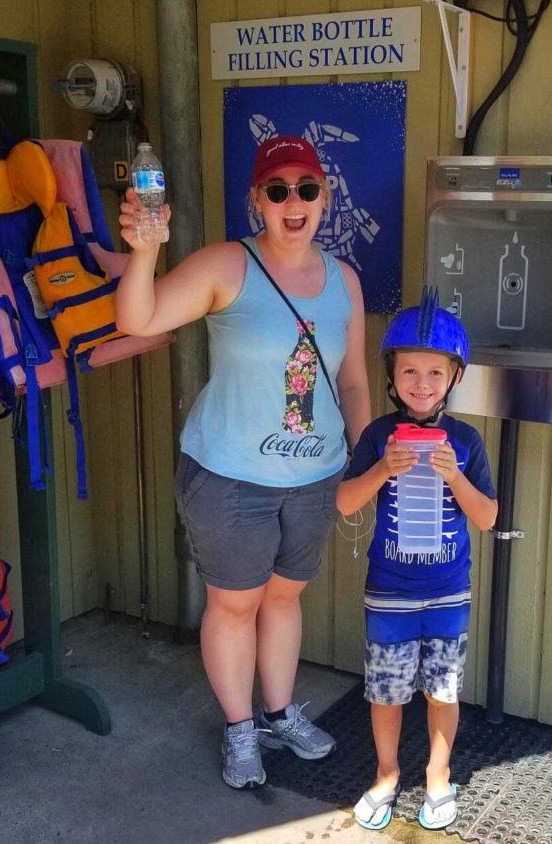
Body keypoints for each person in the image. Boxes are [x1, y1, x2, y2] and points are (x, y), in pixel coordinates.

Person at [115, 135, 370, 790]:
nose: (294, 202)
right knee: (234, 607)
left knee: (284, 600)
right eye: (278, 189)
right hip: (232, 479)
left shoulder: (344, 281)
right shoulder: (227, 265)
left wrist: (365, 459)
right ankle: (239, 729)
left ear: (325, 197)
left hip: (314, 479)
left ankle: (280, 713)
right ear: (257, 200)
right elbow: (138, 319)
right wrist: (144, 254)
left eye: (306, 189)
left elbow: (354, 382)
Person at [336, 289, 498, 831]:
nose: (421, 384)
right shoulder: (379, 435)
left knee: (443, 689)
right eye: (410, 371)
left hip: (449, 592)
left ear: (454, 377)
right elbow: (345, 501)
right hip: (390, 593)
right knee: (386, 692)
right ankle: (386, 774)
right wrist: (383, 469)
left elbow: (488, 516)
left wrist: (454, 475)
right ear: (393, 374)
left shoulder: (467, 441)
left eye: (434, 372)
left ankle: (437, 774)